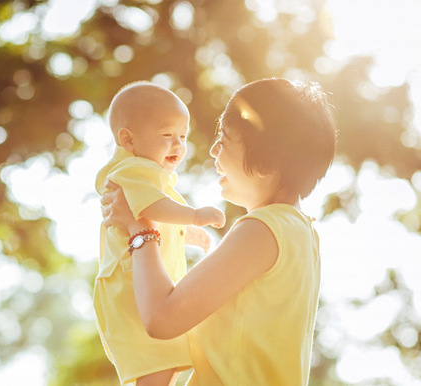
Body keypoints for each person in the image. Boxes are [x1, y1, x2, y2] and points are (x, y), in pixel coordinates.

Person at [101, 78, 337, 385]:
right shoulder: (301, 232)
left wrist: (140, 227)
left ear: (264, 163)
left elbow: (161, 319)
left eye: (223, 141)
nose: (212, 151)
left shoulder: (263, 230)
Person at [94, 81, 226, 386]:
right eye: (167, 135)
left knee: (164, 361)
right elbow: (154, 207)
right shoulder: (135, 171)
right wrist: (193, 216)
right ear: (127, 139)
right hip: (131, 286)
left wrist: (184, 233)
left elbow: (153, 213)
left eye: (183, 136)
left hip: (134, 284)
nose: (178, 145)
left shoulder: (148, 175)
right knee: (158, 359)